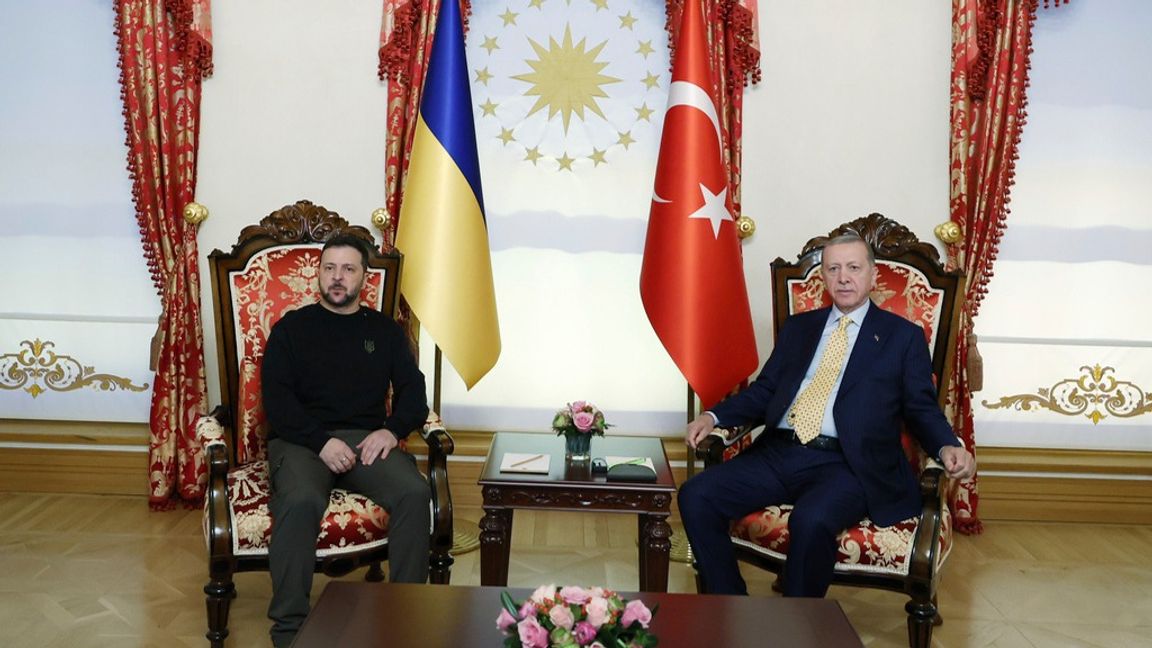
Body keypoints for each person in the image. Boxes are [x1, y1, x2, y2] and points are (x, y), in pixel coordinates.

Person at [678, 233, 975, 598]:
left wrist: (946, 446)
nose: (843, 277)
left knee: (812, 519)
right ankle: (733, 610)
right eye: (833, 269)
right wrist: (712, 416)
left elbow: (920, 406)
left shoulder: (903, 337)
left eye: (853, 267)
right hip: (779, 452)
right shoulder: (800, 329)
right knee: (696, 494)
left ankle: (799, 629)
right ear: (823, 276)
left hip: (848, 463)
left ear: (872, 275)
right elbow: (765, 390)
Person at [261, 234, 431, 647]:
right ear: (319, 274)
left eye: (348, 269)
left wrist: (391, 430)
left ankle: (404, 615)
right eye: (330, 268)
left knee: (413, 492)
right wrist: (321, 442)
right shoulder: (291, 330)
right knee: (301, 500)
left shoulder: (385, 332)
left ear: (364, 278)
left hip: (366, 441)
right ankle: (289, 630)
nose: (338, 278)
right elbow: (277, 402)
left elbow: (414, 393)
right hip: (302, 441)